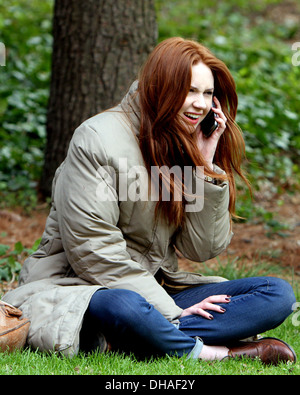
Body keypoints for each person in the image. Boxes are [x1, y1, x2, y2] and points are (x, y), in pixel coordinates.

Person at [2, 37, 296, 364]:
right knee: (123, 306)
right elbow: (93, 250)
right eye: (189, 91)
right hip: (83, 288)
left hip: (154, 291)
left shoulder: (184, 141)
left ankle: (143, 336)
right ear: (162, 86)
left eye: (207, 93)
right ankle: (213, 352)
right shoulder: (97, 139)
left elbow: (202, 249)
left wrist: (205, 167)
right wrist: (170, 308)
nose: (200, 104)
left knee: (276, 294)